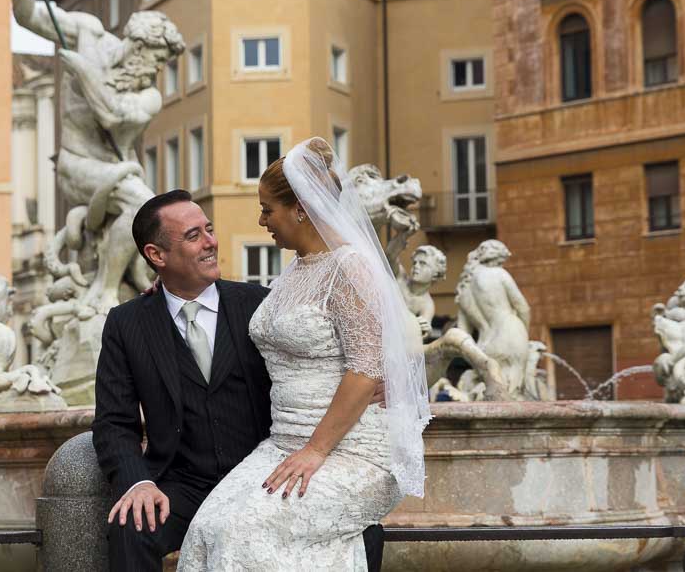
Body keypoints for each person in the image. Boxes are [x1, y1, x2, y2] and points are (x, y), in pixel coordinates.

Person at [93, 188, 385, 571]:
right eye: (193, 236)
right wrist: (138, 483)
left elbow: (341, 353)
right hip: (181, 484)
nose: (211, 242)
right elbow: (114, 423)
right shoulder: (126, 323)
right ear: (156, 255)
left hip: (262, 472)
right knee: (133, 525)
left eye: (208, 230)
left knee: (359, 530)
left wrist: (385, 378)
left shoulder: (261, 304)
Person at [178, 138, 431, 569]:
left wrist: (315, 451)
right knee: (207, 529)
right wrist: (173, 290)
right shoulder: (295, 269)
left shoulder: (350, 267)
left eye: (267, 209)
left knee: (246, 534)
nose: (261, 221)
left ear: (299, 207)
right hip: (281, 445)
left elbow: (366, 369)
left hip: (351, 452)